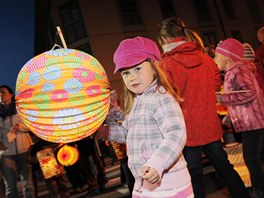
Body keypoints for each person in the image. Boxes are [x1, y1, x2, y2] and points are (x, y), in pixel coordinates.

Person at [157, 17, 250, 198]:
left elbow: (166, 98)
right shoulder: (206, 59)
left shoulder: (166, 64)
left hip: (186, 130)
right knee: (225, 169)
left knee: (194, 177)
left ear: (166, 39)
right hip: (210, 126)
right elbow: (216, 87)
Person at [96, 36, 193, 198]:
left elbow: (176, 134)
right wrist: (105, 132)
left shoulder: (161, 98)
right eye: (126, 72)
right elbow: (128, 133)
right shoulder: (138, 101)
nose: (132, 77)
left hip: (168, 184)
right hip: (144, 184)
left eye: (138, 69)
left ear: (155, 67)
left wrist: (157, 164)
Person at [215, 38, 264, 198]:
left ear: (227, 57)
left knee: (251, 158)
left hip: (253, 122)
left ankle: (259, 190)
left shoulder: (238, 70)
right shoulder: (233, 72)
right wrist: (230, 116)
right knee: (253, 157)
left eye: (216, 56)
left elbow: (249, 93)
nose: (214, 61)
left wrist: (222, 99)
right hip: (249, 122)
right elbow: (240, 97)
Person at [0, 85, 35, 198]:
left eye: (3, 92)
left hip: (24, 148)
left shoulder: (21, 109)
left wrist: (19, 126)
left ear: (11, 94)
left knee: (27, 182)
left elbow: (31, 124)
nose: (1, 95)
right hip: (6, 153)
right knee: (10, 185)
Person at [104, 90, 135, 195]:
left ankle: (128, 184)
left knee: (125, 164)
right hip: (124, 143)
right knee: (126, 165)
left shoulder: (109, 113)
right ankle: (131, 187)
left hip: (119, 144)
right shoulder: (116, 111)